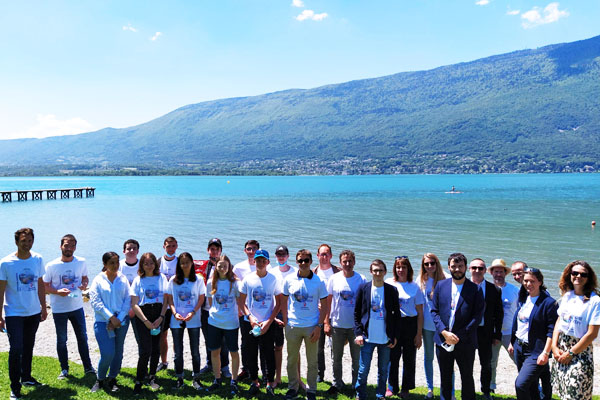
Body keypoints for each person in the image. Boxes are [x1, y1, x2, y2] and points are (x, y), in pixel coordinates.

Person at [0, 227, 47, 400]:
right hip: (13, 313)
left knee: (28, 346)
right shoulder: (6, 263)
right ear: (16, 242)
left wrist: (43, 306)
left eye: (29, 241)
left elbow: (40, 284)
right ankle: (15, 387)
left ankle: (26, 377)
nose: (27, 244)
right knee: (16, 348)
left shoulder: (38, 259)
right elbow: (1, 290)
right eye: (23, 241)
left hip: (33, 312)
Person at [431, 252, 484, 400]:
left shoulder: (475, 289)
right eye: (454, 266)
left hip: (465, 341)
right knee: (445, 376)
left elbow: (477, 316)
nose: (457, 269)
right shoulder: (441, 286)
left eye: (460, 266)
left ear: (466, 268)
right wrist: (444, 332)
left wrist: (459, 336)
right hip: (443, 340)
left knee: (467, 376)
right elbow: (434, 311)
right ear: (448, 267)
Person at [43, 234, 94, 380]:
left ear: (75, 247)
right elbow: (45, 287)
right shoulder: (52, 265)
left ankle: (88, 367)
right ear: (61, 246)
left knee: (82, 338)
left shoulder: (81, 262)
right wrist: (57, 291)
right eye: (66, 245)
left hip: (77, 307)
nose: (69, 248)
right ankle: (64, 369)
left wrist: (84, 284)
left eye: (72, 245)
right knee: (61, 339)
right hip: (59, 309)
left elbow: (85, 277)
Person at [282, 249, 328, 400]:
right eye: (300, 261)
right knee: (291, 360)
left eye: (306, 260)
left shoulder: (319, 281)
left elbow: (325, 304)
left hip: (311, 326)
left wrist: (319, 326)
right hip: (293, 326)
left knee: (312, 361)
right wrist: (286, 320)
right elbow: (283, 300)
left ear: (310, 262)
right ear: (296, 262)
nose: (303, 263)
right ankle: (292, 388)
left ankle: (311, 390)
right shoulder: (289, 279)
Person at [551, 260, 600, 400]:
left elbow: (592, 334)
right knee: (564, 392)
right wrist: (554, 347)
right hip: (562, 347)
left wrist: (571, 353)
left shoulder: (595, 301)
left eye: (583, 274)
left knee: (576, 394)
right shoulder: (568, 295)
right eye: (575, 273)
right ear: (569, 275)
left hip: (580, 350)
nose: (578, 276)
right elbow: (559, 322)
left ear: (588, 278)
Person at [508, 267, 557, 400]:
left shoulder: (549, 303)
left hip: (536, 351)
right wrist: (513, 342)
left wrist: (546, 353)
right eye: (526, 281)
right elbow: (519, 322)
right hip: (519, 347)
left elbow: (551, 331)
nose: (528, 284)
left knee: (520, 384)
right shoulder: (523, 297)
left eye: (532, 281)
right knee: (531, 385)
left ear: (540, 282)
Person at [354, 259, 400, 400]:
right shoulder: (363, 288)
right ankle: (360, 394)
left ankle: (380, 395)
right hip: (367, 337)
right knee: (363, 369)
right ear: (371, 272)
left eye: (380, 270)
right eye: (375, 270)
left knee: (383, 370)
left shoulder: (391, 290)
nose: (378, 273)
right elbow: (356, 313)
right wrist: (359, 333)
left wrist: (394, 336)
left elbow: (397, 315)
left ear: (385, 272)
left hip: (385, 338)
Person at [239, 249, 281, 396]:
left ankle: (269, 383)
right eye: (258, 260)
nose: (260, 262)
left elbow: (279, 303)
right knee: (251, 353)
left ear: (268, 262)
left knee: (268, 353)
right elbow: (241, 302)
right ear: (254, 261)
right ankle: (254, 382)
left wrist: (269, 322)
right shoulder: (248, 279)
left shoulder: (273, 279)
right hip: (250, 323)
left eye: (264, 260)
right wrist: (250, 318)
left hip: (267, 323)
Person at [324, 249, 367, 395]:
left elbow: (365, 304)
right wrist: (326, 322)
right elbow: (328, 302)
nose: (347, 264)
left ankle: (356, 385)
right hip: (337, 325)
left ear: (354, 262)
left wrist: (363, 326)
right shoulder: (334, 278)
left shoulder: (361, 279)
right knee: (336, 357)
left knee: (356, 359)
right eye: (345, 261)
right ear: (340, 263)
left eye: (350, 261)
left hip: (355, 327)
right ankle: (337, 383)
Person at [89, 251, 130, 393]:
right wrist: (111, 318)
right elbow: (95, 302)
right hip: (102, 322)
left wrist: (119, 318)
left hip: (121, 322)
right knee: (107, 353)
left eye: (117, 262)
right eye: (111, 262)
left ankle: (112, 378)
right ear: (105, 264)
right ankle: (100, 379)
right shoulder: (98, 280)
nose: (115, 265)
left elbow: (127, 300)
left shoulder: (123, 279)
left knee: (118, 353)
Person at [130, 252, 169, 395]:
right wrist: (145, 321)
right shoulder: (138, 280)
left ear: (155, 264)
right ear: (141, 265)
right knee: (145, 350)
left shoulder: (162, 277)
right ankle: (139, 380)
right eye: (146, 263)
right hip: (143, 315)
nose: (149, 266)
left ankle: (152, 377)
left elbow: (166, 300)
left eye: (151, 263)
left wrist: (161, 317)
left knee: (156, 349)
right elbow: (134, 304)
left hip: (158, 313)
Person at [166, 251, 206, 389]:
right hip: (176, 319)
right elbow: (170, 299)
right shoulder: (173, 280)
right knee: (178, 352)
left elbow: (201, 298)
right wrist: (174, 312)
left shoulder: (198, 279)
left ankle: (196, 378)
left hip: (194, 319)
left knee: (195, 350)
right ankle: (179, 378)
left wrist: (193, 312)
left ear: (192, 263)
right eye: (182, 263)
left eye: (187, 263)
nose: (184, 265)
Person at [385, 256, 424, 399]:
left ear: (409, 269)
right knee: (392, 357)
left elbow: (420, 313)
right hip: (394, 324)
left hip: (410, 324)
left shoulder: (414, 286)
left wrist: (418, 334)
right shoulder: (389, 283)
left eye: (404, 267)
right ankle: (392, 387)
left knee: (409, 358)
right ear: (394, 269)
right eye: (398, 267)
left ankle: (406, 388)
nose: (400, 270)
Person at [205, 255, 241, 395]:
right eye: (220, 266)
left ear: (229, 266)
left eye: (225, 266)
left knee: (234, 352)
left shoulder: (235, 283)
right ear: (216, 267)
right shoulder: (211, 282)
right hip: (214, 322)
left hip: (231, 323)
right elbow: (210, 302)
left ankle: (234, 380)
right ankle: (217, 379)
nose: (222, 268)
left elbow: (239, 302)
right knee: (215, 351)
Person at [469, 258, 503, 400]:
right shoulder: (463, 286)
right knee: (467, 363)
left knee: (486, 364)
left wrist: (497, 334)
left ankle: (486, 390)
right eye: (474, 268)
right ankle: (468, 391)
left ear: (485, 271)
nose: (477, 271)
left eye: (481, 268)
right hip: (468, 331)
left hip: (486, 331)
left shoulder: (494, 289)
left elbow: (498, 313)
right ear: (469, 269)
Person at [418, 252, 450, 399]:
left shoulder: (446, 279)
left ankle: (448, 391)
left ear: (437, 263)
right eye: (427, 264)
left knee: (446, 359)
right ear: (423, 266)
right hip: (427, 327)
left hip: (443, 327)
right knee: (428, 357)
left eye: (432, 263)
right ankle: (430, 389)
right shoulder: (421, 280)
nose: (430, 266)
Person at [198, 238, 231, 378]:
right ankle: (210, 364)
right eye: (212, 249)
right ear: (208, 250)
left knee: (223, 341)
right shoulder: (202, 266)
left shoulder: (227, 267)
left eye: (217, 249)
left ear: (220, 251)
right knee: (208, 339)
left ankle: (224, 367)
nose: (214, 251)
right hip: (204, 309)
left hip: (221, 310)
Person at [268, 245, 297, 388]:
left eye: (283, 254)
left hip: (293, 313)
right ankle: (278, 378)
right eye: (278, 254)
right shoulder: (271, 272)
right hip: (276, 313)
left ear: (288, 255)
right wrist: (273, 317)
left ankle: (297, 379)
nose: (281, 257)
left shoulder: (295, 272)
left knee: (294, 348)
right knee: (278, 347)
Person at [489, 258, 519, 393]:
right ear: (491, 273)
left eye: (501, 272)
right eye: (496, 272)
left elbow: (521, 312)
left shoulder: (514, 290)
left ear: (505, 273)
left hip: (509, 334)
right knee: (491, 362)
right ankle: (490, 387)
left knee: (518, 360)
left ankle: (531, 387)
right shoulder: (487, 289)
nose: (498, 274)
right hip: (492, 333)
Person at [313, 243, 340, 382]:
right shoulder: (312, 273)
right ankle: (320, 374)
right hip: (317, 316)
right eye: (322, 254)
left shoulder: (338, 272)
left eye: (327, 254)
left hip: (335, 314)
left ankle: (336, 377)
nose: (324, 256)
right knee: (318, 347)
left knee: (335, 348)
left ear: (331, 256)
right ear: (317, 256)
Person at [233, 239, 259, 381]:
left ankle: (260, 372)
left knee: (261, 342)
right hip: (244, 310)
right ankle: (246, 369)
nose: (251, 251)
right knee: (245, 342)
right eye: (249, 249)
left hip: (261, 311)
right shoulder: (238, 267)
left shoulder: (263, 265)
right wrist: (238, 307)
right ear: (245, 250)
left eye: (254, 249)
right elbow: (234, 290)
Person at [157, 236, 178, 372]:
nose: (170, 248)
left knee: (177, 334)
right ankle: (163, 362)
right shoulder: (158, 262)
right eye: (168, 246)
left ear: (176, 246)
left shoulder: (180, 261)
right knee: (162, 335)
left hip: (177, 304)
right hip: (162, 304)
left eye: (173, 246)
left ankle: (178, 361)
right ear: (164, 246)